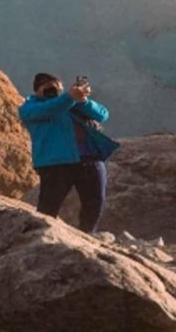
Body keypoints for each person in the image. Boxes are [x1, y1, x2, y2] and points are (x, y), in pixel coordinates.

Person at [18, 73, 118, 234]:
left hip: (89, 159)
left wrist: (82, 100)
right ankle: (40, 236)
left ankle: (87, 235)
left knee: (95, 202)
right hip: (56, 163)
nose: (52, 91)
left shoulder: (74, 103)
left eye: (56, 88)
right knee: (48, 206)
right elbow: (49, 109)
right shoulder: (30, 108)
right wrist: (68, 98)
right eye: (47, 88)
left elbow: (102, 114)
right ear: (37, 90)